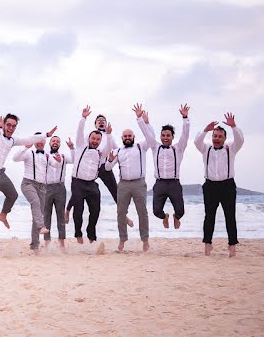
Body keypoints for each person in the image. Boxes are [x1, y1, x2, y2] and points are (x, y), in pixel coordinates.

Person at [0, 83, 53, 229]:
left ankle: (3, 214)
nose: (10, 128)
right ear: (3, 124)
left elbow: (29, 139)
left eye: (13, 126)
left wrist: (46, 135)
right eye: (8, 124)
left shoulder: (13, 140)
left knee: (13, 195)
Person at [104, 104, 153, 252]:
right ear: (122, 138)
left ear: (133, 137)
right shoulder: (118, 150)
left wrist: (142, 121)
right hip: (123, 185)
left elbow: (151, 137)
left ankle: (145, 240)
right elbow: (107, 168)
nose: (127, 138)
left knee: (142, 212)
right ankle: (122, 240)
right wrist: (109, 159)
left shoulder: (141, 147)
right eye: (125, 136)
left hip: (139, 183)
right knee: (121, 213)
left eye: (129, 136)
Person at [194, 113, 244, 257]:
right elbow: (197, 142)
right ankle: (208, 245)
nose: (216, 138)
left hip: (227, 186)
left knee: (230, 216)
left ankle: (232, 245)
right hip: (210, 186)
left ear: (224, 138)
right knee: (209, 216)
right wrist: (205, 130)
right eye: (214, 136)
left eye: (219, 136)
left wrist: (234, 126)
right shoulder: (206, 149)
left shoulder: (231, 148)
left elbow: (240, 140)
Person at [139, 104, 191, 229]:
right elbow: (146, 134)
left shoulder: (179, 148)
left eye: (168, 135)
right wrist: (141, 120)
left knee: (181, 211)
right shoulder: (155, 146)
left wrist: (185, 118)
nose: (165, 137)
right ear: (160, 136)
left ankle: (176, 217)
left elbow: (185, 134)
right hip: (160, 183)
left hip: (174, 183)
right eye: (163, 135)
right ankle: (165, 217)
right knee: (156, 211)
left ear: (173, 137)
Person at [71, 106, 113, 243]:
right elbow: (79, 131)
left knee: (95, 211)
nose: (95, 141)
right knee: (79, 210)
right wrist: (83, 118)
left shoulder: (100, 154)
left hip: (91, 185)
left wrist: (109, 135)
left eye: (97, 140)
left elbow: (109, 148)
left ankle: (91, 233)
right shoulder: (80, 146)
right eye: (93, 138)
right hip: (77, 183)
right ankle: (78, 233)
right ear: (88, 138)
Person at [12, 135, 51, 254]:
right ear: (34, 142)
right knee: (35, 202)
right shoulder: (29, 153)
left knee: (37, 214)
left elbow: (56, 165)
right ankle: (41, 226)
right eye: (37, 141)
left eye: (42, 141)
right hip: (28, 183)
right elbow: (15, 158)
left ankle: (35, 246)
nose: (40, 143)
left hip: (42, 187)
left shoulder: (47, 155)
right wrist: (24, 147)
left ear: (44, 142)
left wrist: (59, 160)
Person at [42, 136, 73, 250]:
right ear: (50, 143)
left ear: (60, 144)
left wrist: (72, 148)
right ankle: (46, 243)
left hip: (60, 187)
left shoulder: (64, 157)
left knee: (60, 216)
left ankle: (61, 243)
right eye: (53, 141)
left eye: (58, 141)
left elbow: (75, 159)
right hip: (46, 187)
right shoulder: (44, 156)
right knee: (46, 216)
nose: (55, 143)